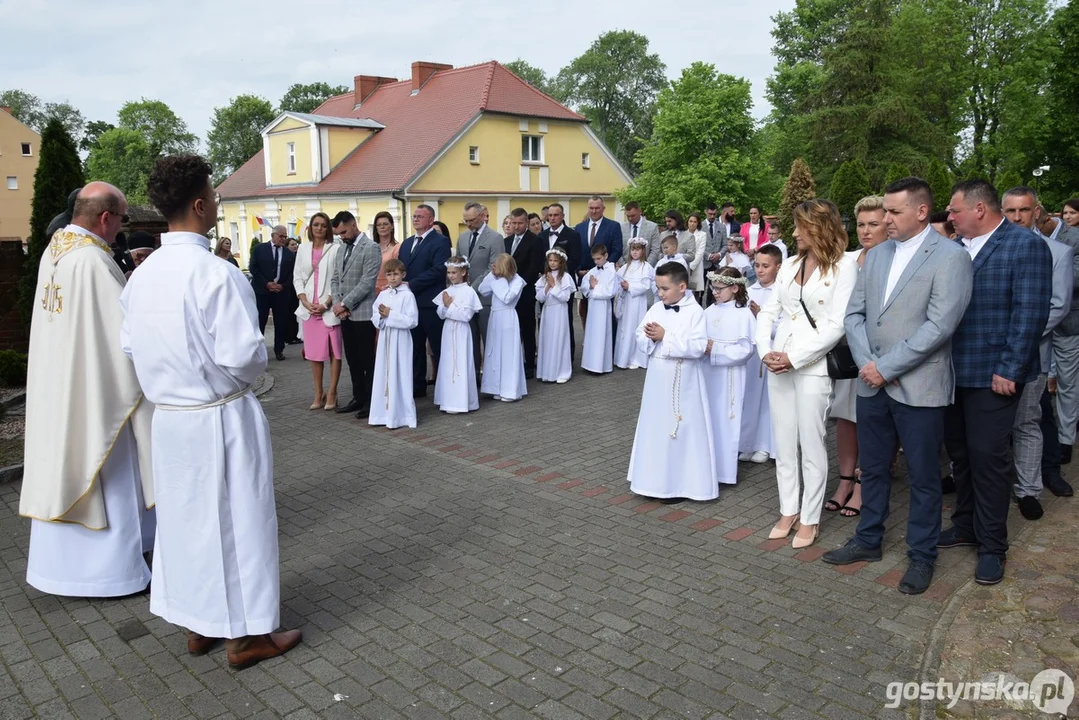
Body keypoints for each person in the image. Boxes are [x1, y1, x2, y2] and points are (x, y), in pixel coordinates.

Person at [121, 154, 300, 669]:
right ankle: (245, 638)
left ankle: (199, 623)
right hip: (220, 414)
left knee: (188, 523)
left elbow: (130, 347)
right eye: (215, 195)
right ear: (200, 205)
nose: (219, 201)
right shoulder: (217, 274)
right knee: (238, 521)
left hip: (170, 419)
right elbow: (244, 356)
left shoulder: (142, 274)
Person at [823, 177, 973, 595]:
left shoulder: (950, 257)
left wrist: (885, 366)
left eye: (893, 211)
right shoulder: (876, 256)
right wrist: (869, 363)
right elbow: (854, 316)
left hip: (919, 387)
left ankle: (922, 554)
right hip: (873, 384)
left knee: (924, 477)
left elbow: (941, 326)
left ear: (921, 211)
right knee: (872, 469)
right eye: (884, 211)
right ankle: (868, 540)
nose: (884, 219)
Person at [20, 181, 155, 598]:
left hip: (59, 387)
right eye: (120, 219)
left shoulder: (54, 251)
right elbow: (125, 337)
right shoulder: (93, 262)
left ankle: (60, 571)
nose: (120, 230)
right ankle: (111, 573)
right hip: (96, 391)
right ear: (105, 217)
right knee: (107, 468)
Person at [941, 179, 1051, 586]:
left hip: (994, 373)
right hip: (951, 372)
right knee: (961, 454)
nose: (949, 217)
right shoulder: (954, 249)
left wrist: (1011, 367)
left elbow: (1031, 312)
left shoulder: (1025, 246)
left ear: (980, 210)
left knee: (989, 457)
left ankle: (992, 546)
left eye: (954, 210)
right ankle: (966, 524)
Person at [756, 199, 858, 549]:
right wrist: (764, 352)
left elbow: (837, 324)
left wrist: (794, 358)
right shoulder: (789, 265)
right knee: (784, 442)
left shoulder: (844, 267)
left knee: (812, 444)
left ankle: (810, 517)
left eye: (801, 226)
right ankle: (789, 510)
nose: (795, 232)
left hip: (812, 365)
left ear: (819, 227)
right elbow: (769, 311)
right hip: (777, 360)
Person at [1001, 186, 1074, 520]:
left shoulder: (1057, 252)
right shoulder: (991, 246)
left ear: (1037, 212)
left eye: (1024, 210)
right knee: (985, 425)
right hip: (989, 354)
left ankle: (1028, 490)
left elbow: (1057, 307)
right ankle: (977, 482)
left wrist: (1017, 337)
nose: (1017, 217)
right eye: (1011, 211)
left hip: (1033, 353)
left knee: (1027, 422)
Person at [627, 262, 715, 502]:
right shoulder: (656, 308)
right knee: (655, 427)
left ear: (682, 287)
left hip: (684, 380)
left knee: (681, 429)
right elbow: (639, 335)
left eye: (665, 288)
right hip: (657, 377)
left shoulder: (695, 312)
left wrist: (667, 337)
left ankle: (679, 485)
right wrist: (649, 338)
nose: (660, 293)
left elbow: (698, 347)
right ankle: (651, 482)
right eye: (658, 287)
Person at [825, 195, 889, 518]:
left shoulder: (894, 258)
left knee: (871, 421)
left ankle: (865, 483)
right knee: (845, 418)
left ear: (887, 224)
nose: (866, 231)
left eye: (873, 224)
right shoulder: (846, 260)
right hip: (848, 354)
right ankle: (845, 480)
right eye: (861, 224)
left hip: (880, 357)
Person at [702, 269, 755, 486]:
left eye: (719, 289)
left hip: (729, 377)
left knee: (726, 419)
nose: (714, 292)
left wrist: (715, 349)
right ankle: (705, 467)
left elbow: (745, 351)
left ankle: (724, 471)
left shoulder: (743, 315)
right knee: (707, 418)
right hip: (707, 373)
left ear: (735, 288)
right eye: (713, 288)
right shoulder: (708, 311)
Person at [1038, 202, 1079, 478]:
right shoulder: (1026, 236)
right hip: (1037, 324)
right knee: (1039, 381)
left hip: (1068, 321)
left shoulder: (1075, 239)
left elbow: (1075, 277)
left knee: (1067, 382)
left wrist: (1038, 281)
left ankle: (1066, 439)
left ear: (1040, 214)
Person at [330, 211, 382, 418]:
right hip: (345, 315)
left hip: (363, 314)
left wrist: (344, 303)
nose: (341, 236)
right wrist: (336, 304)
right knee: (352, 360)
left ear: (353, 224)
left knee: (367, 359)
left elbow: (367, 282)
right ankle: (358, 397)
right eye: (338, 234)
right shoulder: (341, 248)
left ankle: (371, 400)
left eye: (343, 231)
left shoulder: (371, 248)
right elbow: (335, 278)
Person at [399, 205, 452, 398]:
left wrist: (411, 284)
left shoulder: (440, 241)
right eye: (414, 216)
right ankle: (417, 385)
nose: (415, 219)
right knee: (415, 346)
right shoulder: (406, 243)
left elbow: (439, 270)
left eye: (420, 216)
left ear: (431, 220)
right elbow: (401, 268)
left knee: (437, 346)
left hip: (430, 302)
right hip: (411, 303)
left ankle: (444, 386)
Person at [739, 244, 783, 464]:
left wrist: (762, 316)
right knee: (750, 398)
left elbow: (785, 326)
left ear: (778, 266)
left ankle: (766, 445)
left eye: (766, 266)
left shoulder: (782, 292)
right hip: (752, 354)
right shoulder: (749, 290)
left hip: (773, 352)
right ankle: (747, 443)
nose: (760, 270)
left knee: (769, 401)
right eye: (757, 265)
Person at [294, 212, 343, 411]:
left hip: (328, 308)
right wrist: (305, 302)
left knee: (334, 352)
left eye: (323, 225)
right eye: (316, 225)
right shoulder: (302, 249)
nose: (320, 228)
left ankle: (332, 392)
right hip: (309, 309)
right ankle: (318, 392)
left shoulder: (335, 249)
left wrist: (326, 303)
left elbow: (339, 278)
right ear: (310, 228)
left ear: (328, 229)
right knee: (314, 354)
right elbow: (297, 277)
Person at [369, 259, 419, 429]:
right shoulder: (383, 295)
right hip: (385, 339)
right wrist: (381, 318)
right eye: (389, 274)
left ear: (403, 275)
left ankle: (402, 416)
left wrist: (391, 315)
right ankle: (382, 414)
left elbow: (412, 321)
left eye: (396, 274)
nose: (392, 278)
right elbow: (374, 314)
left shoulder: (408, 295)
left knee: (401, 373)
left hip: (401, 339)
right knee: (384, 373)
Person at [457, 203, 503, 377]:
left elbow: (494, 267)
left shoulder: (495, 238)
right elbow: (459, 263)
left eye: (472, 220)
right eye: (465, 220)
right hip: (466, 298)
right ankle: (474, 374)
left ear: (482, 215)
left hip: (485, 297)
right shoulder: (462, 237)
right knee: (470, 338)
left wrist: (472, 286)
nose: (468, 224)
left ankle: (493, 376)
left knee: (489, 338)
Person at [434, 257, 482, 413]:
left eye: (454, 272)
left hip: (462, 330)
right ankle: (448, 400)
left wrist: (450, 305)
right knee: (448, 362)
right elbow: (440, 313)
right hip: (448, 330)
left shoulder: (468, 291)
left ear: (463, 272)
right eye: (449, 272)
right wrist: (445, 307)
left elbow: (466, 315)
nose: (451, 276)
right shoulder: (447, 291)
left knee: (461, 362)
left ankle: (462, 401)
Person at [479, 254, 527, 402]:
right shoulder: (498, 279)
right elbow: (482, 289)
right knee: (495, 351)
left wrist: (499, 280)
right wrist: (492, 277)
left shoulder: (517, 280)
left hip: (508, 318)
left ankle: (511, 390)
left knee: (508, 352)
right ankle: (496, 387)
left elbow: (507, 298)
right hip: (495, 318)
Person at [505, 207, 544, 378]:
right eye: (513, 223)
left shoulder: (535, 241)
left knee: (527, 328)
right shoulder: (507, 242)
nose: (516, 226)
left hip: (525, 290)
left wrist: (517, 284)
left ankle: (529, 362)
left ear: (526, 223)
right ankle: (513, 360)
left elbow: (534, 267)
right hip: (507, 292)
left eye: (520, 223)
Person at [249, 225, 295, 361]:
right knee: (260, 320)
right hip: (262, 291)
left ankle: (279, 349)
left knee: (280, 322)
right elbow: (253, 268)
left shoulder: (288, 254)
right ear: (273, 235)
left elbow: (292, 273)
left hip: (281, 293)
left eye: (285, 237)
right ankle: (258, 350)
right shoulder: (259, 249)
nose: (283, 239)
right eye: (281, 236)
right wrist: (266, 283)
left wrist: (282, 285)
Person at [575, 195, 623, 326]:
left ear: (603, 209)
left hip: (605, 277)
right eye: (591, 208)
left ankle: (608, 342)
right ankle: (588, 339)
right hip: (584, 275)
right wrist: (579, 269)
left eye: (597, 208)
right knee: (584, 311)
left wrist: (603, 268)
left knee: (606, 314)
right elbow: (576, 251)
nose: (594, 211)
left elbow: (617, 249)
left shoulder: (613, 226)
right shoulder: (579, 227)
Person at [535, 248, 576, 384]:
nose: (552, 263)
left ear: (561, 262)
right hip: (548, 312)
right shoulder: (544, 277)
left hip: (559, 311)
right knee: (548, 340)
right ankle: (547, 372)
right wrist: (547, 287)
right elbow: (539, 297)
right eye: (550, 260)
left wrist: (554, 286)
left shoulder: (565, 277)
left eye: (555, 261)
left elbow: (565, 297)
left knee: (560, 339)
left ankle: (562, 371)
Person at [614, 238, 655, 370]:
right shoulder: (626, 266)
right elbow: (617, 279)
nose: (635, 252)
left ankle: (635, 357)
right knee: (624, 327)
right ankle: (622, 357)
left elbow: (645, 285)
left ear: (643, 251)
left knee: (634, 326)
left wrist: (630, 286)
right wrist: (621, 286)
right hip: (626, 301)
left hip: (637, 302)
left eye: (637, 249)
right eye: (633, 249)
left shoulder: (646, 267)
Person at [580, 244, 618, 374]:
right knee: (591, 333)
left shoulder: (611, 271)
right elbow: (584, 285)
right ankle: (589, 364)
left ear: (606, 256)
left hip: (603, 307)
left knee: (602, 333)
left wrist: (595, 287)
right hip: (593, 307)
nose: (596, 262)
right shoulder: (593, 270)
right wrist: (590, 287)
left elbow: (610, 291)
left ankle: (601, 365)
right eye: (594, 259)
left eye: (598, 258)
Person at [621, 201, 660, 267]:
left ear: (640, 211)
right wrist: (624, 266)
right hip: (626, 268)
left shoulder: (652, 227)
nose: (630, 218)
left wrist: (645, 267)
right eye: (628, 216)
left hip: (646, 268)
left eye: (633, 216)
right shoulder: (622, 228)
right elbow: (618, 249)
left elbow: (655, 250)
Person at [370, 211, 401, 294]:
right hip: (371, 291)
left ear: (392, 226)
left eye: (385, 224)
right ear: (376, 228)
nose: (382, 227)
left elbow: (398, 271)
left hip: (389, 290)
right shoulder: (371, 248)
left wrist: (386, 288)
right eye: (379, 225)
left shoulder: (397, 248)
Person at [686, 213, 709, 301]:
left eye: (695, 222)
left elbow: (700, 252)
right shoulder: (683, 234)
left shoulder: (702, 234)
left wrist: (691, 267)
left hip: (696, 266)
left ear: (698, 223)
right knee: (685, 289)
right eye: (690, 221)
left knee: (694, 291)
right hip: (684, 264)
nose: (692, 224)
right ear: (687, 222)